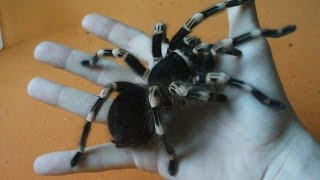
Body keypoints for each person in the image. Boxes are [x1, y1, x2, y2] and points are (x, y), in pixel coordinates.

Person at [28, 2, 320, 180]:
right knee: (130, 89)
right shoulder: (181, 81)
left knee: (118, 88)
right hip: (145, 122)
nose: (195, 44)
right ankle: (159, 145)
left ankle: (82, 148)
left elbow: (214, 87)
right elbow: (214, 88)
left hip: (151, 95)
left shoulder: (157, 64)